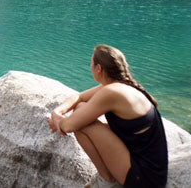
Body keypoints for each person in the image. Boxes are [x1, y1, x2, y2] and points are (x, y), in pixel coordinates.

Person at [47, 44, 168, 188]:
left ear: (99, 68)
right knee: (80, 109)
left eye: (91, 64)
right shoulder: (122, 86)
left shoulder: (111, 92)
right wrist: (57, 113)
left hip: (143, 179)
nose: (90, 67)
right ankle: (108, 178)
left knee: (82, 122)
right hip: (150, 170)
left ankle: (107, 181)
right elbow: (79, 97)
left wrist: (57, 121)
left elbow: (68, 126)